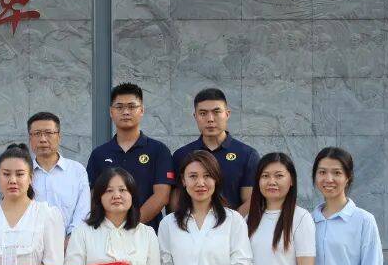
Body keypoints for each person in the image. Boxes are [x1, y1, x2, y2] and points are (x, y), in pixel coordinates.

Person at [158, 151, 253, 265]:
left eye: (207, 176)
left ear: (216, 179)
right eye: (193, 176)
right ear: (183, 180)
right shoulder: (168, 223)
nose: (200, 183)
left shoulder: (233, 220)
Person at [86, 83, 175, 229]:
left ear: (142, 110)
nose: (126, 112)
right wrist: (112, 227)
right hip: (106, 232)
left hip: (147, 232)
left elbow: (162, 196)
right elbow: (92, 196)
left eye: (132, 106)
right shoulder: (99, 154)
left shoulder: (159, 150)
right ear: (111, 112)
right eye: (119, 107)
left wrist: (132, 225)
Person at [171, 88, 259, 216]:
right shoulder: (182, 155)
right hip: (191, 226)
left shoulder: (247, 155)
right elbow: (176, 200)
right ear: (195, 116)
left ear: (227, 114)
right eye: (203, 113)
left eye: (216, 112)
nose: (210, 119)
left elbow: (251, 200)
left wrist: (229, 223)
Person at [27, 111, 89, 236]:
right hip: (31, 243)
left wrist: (71, 239)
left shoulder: (76, 170)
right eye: (37, 134)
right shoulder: (23, 173)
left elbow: (83, 210)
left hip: (71, 243)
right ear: (30, 139)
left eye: (49, 133)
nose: (43, 139)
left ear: (59, 137)